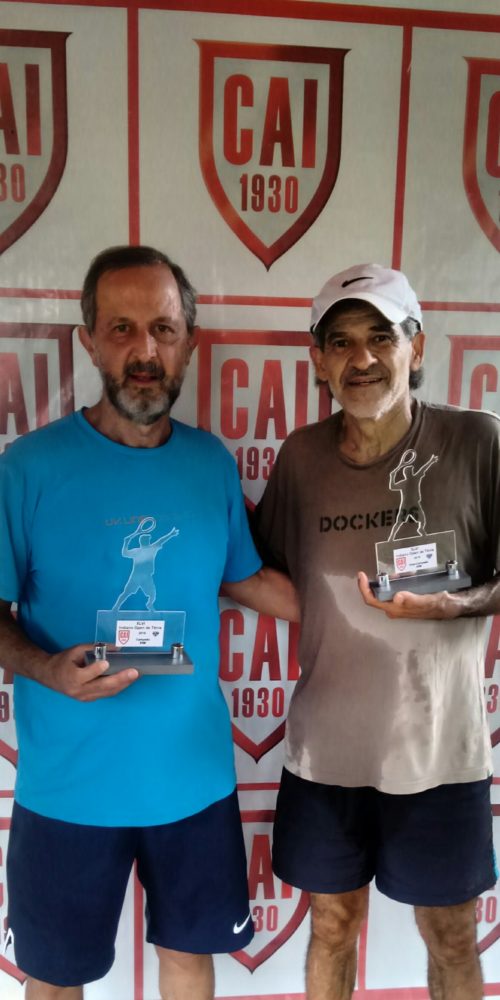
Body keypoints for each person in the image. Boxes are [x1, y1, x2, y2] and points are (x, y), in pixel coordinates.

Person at [0, 245, 299, 1000]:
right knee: (53, 980)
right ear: (89, 341)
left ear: (188, 343)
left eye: (163, 329)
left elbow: (245, 578)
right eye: (122, 329)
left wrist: (362, 602)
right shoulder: (27, 469)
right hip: (68, 790)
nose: (144, 351)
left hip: (193, 783)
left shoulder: (210, 462)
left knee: (189, 963)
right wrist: (45, 669)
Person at [253, 263, 499, 1000]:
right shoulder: (301, 457)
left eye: (381, 337)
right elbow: (264, 572)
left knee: (451, 935)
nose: (361, 358)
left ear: (415, 346)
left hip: (440, 755)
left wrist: (454, 606)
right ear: (319, 360)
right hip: (324, 755)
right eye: (341, 342)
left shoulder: (476, 441)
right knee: (332, 925)